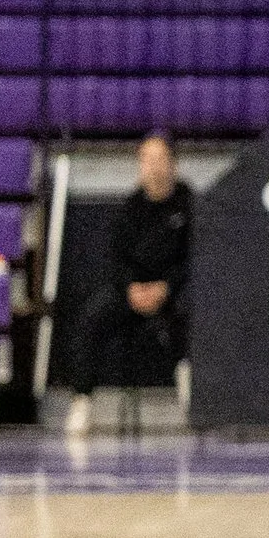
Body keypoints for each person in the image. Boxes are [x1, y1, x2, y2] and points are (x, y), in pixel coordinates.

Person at [62, 131, 191, 437]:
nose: (154, 167)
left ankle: (194, 399)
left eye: (160, 159)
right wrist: (131, 288)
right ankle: (82, 401)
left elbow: (196, 260)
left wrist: (166, 287)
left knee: (197, 315)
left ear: (173, 163)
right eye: (147, 159)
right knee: (91, 319)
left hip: (174, 293)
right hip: (133, 293)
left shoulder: (190, 206)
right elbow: (115, 260)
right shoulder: (129, 208)